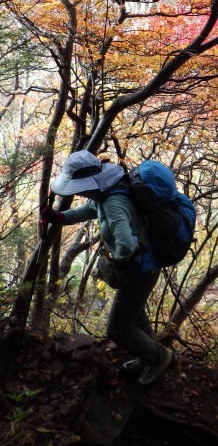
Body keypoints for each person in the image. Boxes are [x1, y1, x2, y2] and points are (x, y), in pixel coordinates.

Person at [40, 150, 177, 386]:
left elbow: (125, 244)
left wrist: (115, 262)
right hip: (145, 265)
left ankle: (159, 358)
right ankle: (149, 356)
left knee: (117, 329)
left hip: (141, 269)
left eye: (78, 186)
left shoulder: (113, 202)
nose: (78, 191)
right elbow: (87, 211)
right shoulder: (106, 193)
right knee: (135, 315)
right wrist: (59, 217)